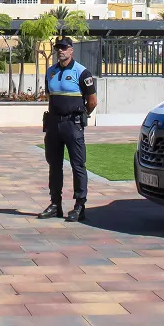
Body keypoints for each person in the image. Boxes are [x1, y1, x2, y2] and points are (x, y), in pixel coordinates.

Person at [38, 36, 98, 222]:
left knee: (77, 165)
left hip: (73, 124)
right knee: (54, 165)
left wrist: (80, 116)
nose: (61, 51)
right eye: (59, 48)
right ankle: (55, 204)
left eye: (64, 48)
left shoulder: (82, 73)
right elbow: (50, 96)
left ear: (71, 50)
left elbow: (92, 101)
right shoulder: (51, 72)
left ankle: (80, 206)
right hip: (54, 124)